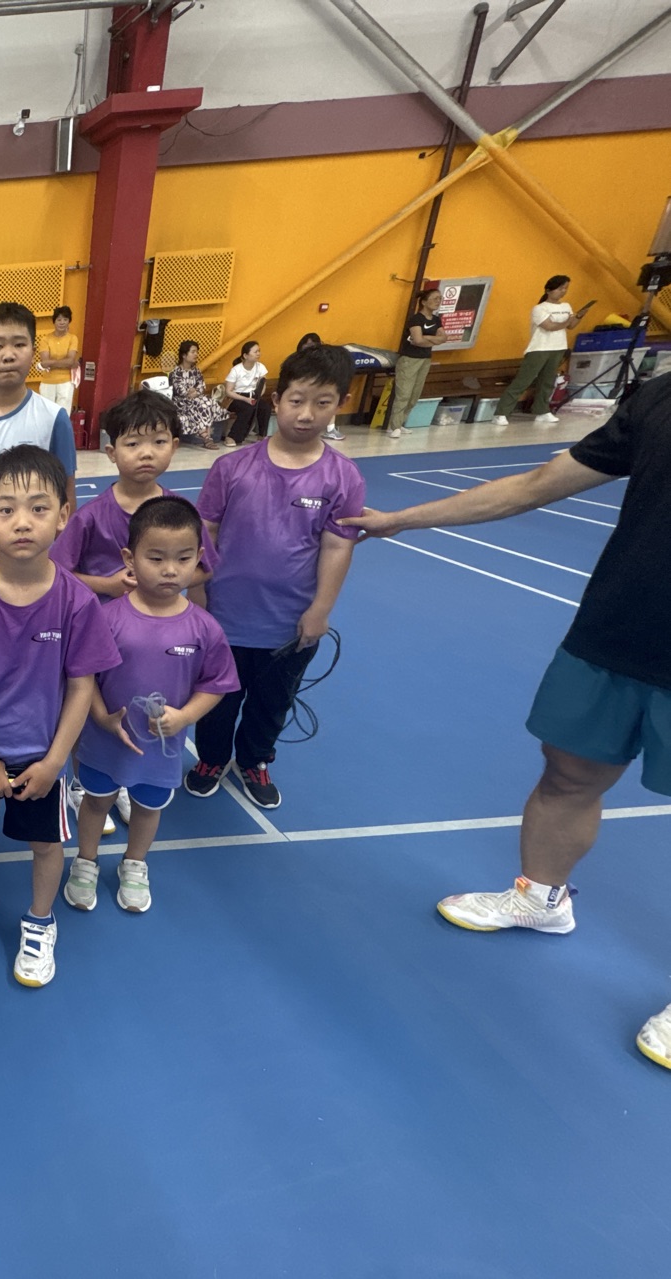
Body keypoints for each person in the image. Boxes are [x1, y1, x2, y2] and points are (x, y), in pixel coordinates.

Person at [338, 374, 671, 1073]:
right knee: (568, 771)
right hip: (614, 632)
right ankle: (541, 900)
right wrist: (403, 519)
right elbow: (540, 481)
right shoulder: (662, 397)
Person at [0, 444, 119, 986]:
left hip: (42, 756)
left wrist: (56, 761)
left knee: (46, 844)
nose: (22, 522)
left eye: (39, 508)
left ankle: (40, 921)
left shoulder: (77, 601)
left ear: (64, 515)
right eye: (7, 508)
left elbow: (82, 686)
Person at [186, 344, 364, 810]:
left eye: (322, 402)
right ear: (277, 399)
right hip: (223, 616)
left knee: (272, 703)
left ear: (341, 403)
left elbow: (337, 546)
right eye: (297, 400)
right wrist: (197, 589)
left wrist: (320, 609)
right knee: (216, 699)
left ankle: (254, 759)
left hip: (289, 625)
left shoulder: (343, 477)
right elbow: (205, 531)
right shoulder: (231, 467)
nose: (306, 414)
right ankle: (211, 759)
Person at [62, 497, 238, 913]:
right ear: (129, 559)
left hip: (162, 748)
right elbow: (83, 674)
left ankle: (135, 863)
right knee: (96, 801)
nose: (170, 570)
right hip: (103, 741)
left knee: (147, 808)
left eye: (183, 558)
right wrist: (101, 716)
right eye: (156, 558)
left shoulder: (204, 628)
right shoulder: (106, 618)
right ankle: (85, 861)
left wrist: (186, 716)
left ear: (199, 557)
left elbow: (216, 683)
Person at [52, 390, 217, 601]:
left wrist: (163, 583)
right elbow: (56, 572)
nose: (146, 453)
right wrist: (107, 585)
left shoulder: (183, 513)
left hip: (161, 618)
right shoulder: (90, 517)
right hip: (104, 618)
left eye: (159, 442)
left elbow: (206, 568)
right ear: (112, 452)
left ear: (174, 446)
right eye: (133, 444)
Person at [0, 302, 79, 507]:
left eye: (19, 345)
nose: (9, 355)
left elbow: (67, 495)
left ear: (33, 353)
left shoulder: (54, 418)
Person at [494, 274, 584, 426]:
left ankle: (542, 411)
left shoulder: (566, 306)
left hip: (558, 347)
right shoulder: (539, 308)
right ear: (549, 290)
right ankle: (501, 413)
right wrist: (568, 320)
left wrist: (579, 316)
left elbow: (571, 326)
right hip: (539, 348)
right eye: (560, 288)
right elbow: (549, 326)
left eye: (565, 289)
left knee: (547, 381)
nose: (563, 292)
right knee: (523, 381)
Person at [385, 285, 451, 439]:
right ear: (424, 302)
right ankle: (394, 426)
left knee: (414, 395)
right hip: (409, 360)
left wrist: (427, 338)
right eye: (435, 298)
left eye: (440, 298)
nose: (438, 301)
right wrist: (431, 340)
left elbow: (443, 338)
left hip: (425, 359)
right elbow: (418, 340)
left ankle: (400, 422)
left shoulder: (436, 320)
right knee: (404, 394)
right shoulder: (416, 319)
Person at [166, 340, 227, 451]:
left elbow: (202, 386)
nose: (196, 354)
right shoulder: (175, 372)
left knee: (209, 402)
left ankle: (206, 436)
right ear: (184, 355)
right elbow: (180, 391)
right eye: (193, 352)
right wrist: (192, 392)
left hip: (195, 399)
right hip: (180, 402)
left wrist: (195, 392)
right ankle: (206, 437)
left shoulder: (196, 371)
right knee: (201, 403)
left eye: (196, 352)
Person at [222, 341, 272, 445]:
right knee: (247, 408)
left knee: (265, 407)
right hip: (236, 398)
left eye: (259, 351)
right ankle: (232, 437)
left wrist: (257, 397)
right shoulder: (236, 370)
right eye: (255, 352)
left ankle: (262, 435)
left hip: (253, 396)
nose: (258, 354)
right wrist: (245, 399)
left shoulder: (261, 367)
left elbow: (262, 385)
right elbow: (228, 391)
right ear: (245, 355)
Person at [35, 305, 80, 413]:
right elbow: (45, 362)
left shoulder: (72, 338)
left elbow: (70, 361)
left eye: (65, 319)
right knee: (46, 413)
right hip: (47, 381)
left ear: (69, 321)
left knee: (63, 413)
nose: (62, 322)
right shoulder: (45, 339)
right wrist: (66, 363)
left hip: (66, 381)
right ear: (54, 321)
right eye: (59, 319)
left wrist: (51, 363)